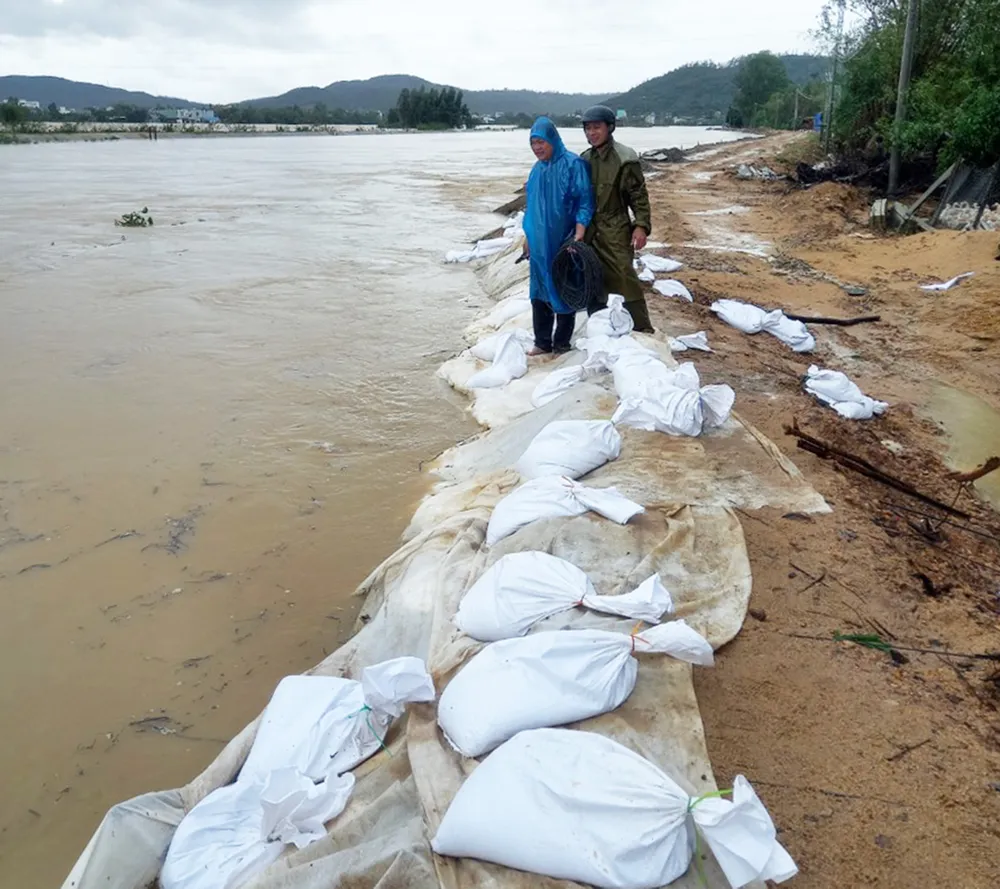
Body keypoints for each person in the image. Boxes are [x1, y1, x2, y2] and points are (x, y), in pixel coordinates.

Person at [521, 117, 595, 354]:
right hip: (539, 242)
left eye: (541, 142)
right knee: (539, 290)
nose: (537, 148)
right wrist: (527, 237)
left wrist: (579, 234)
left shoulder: (574, 164)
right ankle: (542, 342)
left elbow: (585, 201)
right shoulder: (536, 171)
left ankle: (561, 342)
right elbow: (531, 207)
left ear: (553, 139)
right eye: (533, 143)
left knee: (563, 288)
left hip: (563, 240)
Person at [579, 105, 654, 332]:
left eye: (597, 128)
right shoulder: (584, 159)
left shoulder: (625, 159)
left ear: (610, 127)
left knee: (624, 277)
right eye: (588, 129)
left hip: (616, 229)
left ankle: (642, 328)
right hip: (591, 231)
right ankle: (601, 327)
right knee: (593, 280)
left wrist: (640, 226)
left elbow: (638, 196)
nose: (592, 133)